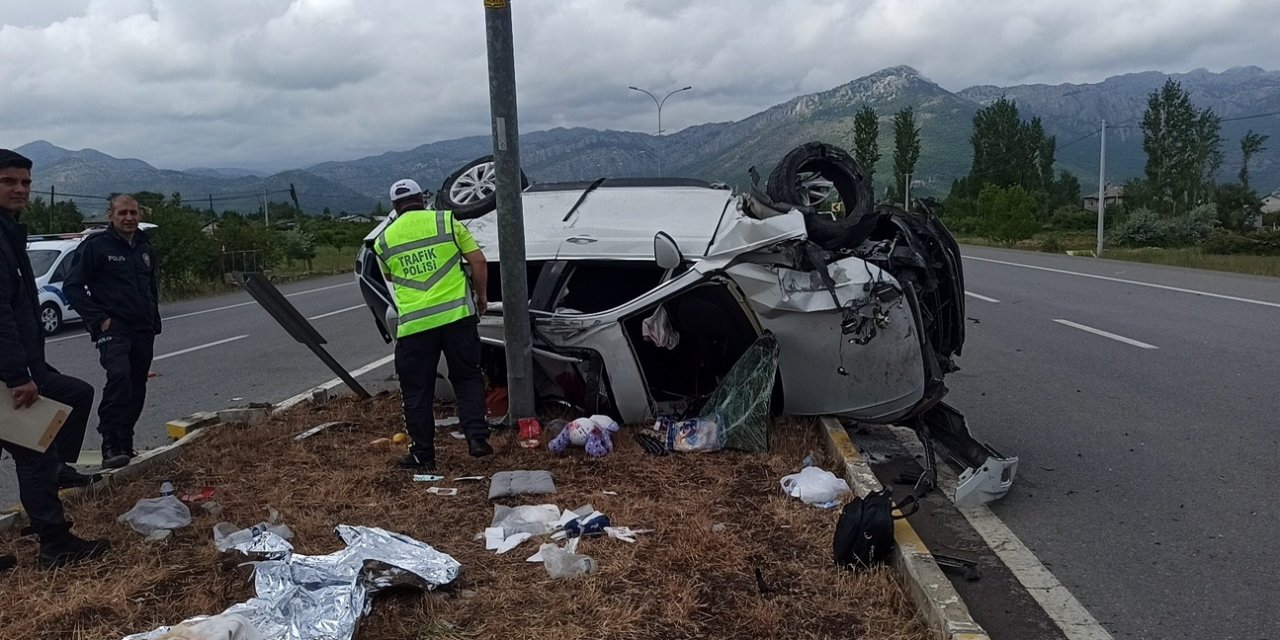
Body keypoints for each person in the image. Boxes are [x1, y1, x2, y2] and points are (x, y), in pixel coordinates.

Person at [0, 148, 111, 569]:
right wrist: (18, 374)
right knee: (36, 454)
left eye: (25, 182)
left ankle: (54, 524)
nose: (20, 189)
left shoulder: (9, 231)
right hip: (7, 377)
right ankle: (55, 544)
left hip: (17, 369)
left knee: (72, 399)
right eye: (9, 181)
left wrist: (34, 367)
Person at [375, 179, 493, 470]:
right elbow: (478, 262)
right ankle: (477, 438)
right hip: (456, 318)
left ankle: (423, 455)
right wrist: (481, 296)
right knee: (467, 378)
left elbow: (391, 278)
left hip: (415, 327)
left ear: (394, 207)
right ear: (422, 199)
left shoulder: (384, 240)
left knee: (417, 391)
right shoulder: (447, 221)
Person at [65, 194, 161, 469]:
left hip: (142, 328)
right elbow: (72, 286)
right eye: (123, 213)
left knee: (137, 384)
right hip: (114, 328)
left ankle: (125, 440)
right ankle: (110, 442)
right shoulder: (96, 246)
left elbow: (150, 287)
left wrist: (154, 320)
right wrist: (99, 320)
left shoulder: (145, 247)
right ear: (111, 216)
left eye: (133, 213)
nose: (129, 218)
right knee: (119, 377)